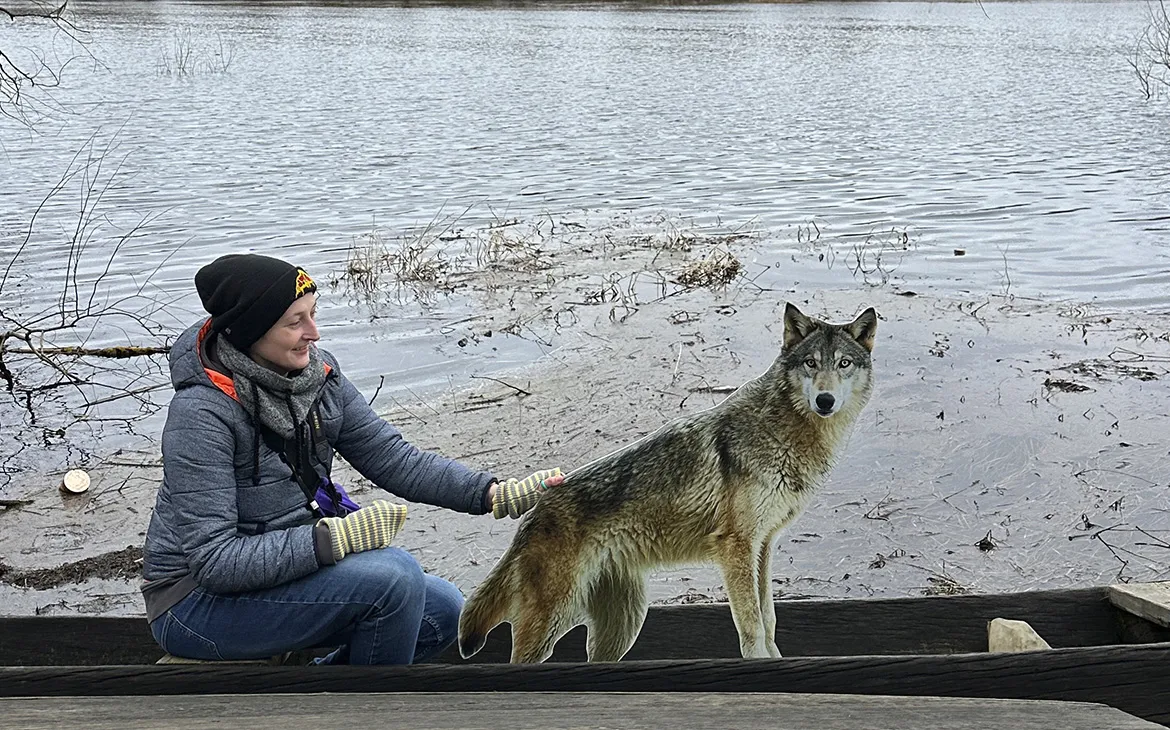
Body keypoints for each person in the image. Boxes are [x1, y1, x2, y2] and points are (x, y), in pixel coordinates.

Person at [141, 253, 563, 665]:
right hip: (195, 604)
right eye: (296, 321)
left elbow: (394, 458)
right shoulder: (201, 415)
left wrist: (493, 494)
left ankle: (326, 693)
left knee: (444, 611)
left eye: (313, 313)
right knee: (394, 578)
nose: (314, 333)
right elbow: (216, 561)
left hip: (277, 575)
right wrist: (333, 540)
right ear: (251, 332)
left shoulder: (317, 377)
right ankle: (370, 712)